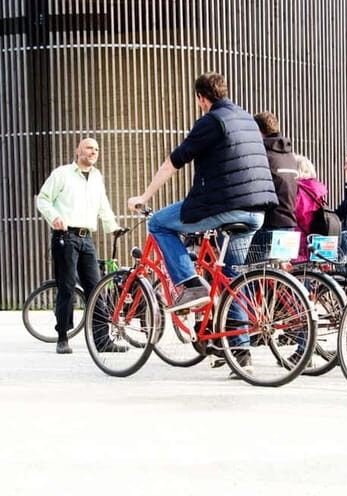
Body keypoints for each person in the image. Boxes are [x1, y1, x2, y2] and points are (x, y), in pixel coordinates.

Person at [127, 72, 277, 375]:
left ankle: (190, 284)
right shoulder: (247, 119)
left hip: (225, 206)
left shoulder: (211, 120)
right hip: (258, 210)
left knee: (158, 223)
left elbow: (174, 161)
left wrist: (144, 196)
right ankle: (240, 350)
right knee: (234, 278)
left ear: (201, 98)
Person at [36, 137, 127, 354]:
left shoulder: (96, 177)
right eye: (89, 148)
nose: (93, 152)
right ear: (78, 151)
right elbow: (43, 199)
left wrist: (112, 226)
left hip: (87, 239)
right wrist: (55, 217)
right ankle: (62, 337)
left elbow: (103, 204)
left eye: (96, 149)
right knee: (66, 287)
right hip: (65, 236)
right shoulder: (62, 173)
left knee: (96, 288)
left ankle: (102, 340)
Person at [246, 111, 298, 262]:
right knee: (281, 279)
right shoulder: (290, 156)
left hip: (269, 223)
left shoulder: (262, 155)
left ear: (257, 131)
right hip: (289, 224)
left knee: (250, 273)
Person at [293, 154, 328, 263]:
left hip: (298, 238)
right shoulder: (317, 189)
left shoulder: (297, 189)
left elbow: (296, 212)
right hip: (315, 237)